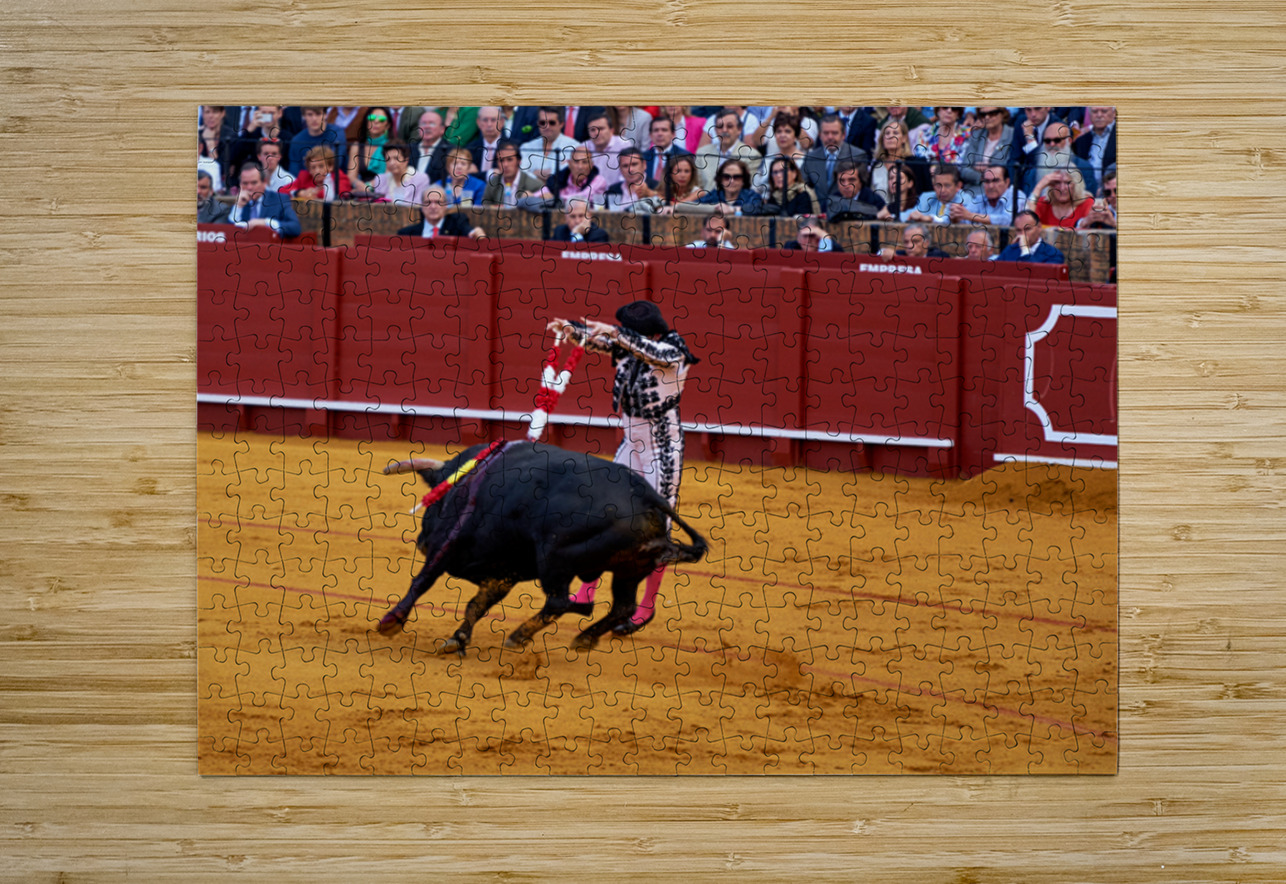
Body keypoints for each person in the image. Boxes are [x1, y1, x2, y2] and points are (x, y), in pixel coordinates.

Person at [548, 301, 700, 635]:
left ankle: (646, 607)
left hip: (662, 451)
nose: (623, 335)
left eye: (629, 330)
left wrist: (617, 333)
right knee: (604, 514)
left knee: (656, 531)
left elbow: (650, 352)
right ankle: (586, 593)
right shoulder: (628, 344)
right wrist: (571, 329)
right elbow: (599, 341)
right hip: (631, 444)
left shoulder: (674, 351)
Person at [801, 114, 868, 210]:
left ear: (843, 135)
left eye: (834, 133)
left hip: (847, 212)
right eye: (826, 133)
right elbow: (804, 186)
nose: (830, 137)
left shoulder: (857, 155)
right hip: (817, 212)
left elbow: (863, 189)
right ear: (820, 135)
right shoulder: (810, 158)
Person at [226, 162, 302, 237]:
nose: (249, 187)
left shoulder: (280, 200)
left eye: (254, 183)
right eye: (245, 183)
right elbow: (227, 233)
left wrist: (266, 222)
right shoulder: (240, 203)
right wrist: (238, 207)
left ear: (264, 182)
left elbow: (295, 227)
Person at [695, 109, 763, 192]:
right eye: (720, 127)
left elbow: (749, 189)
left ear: (739, 130)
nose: (724, 130)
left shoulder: (752, 156)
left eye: (729, 126)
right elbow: (697, 187)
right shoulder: (702, 153)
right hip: (706, 199)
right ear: (715, 130)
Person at [525, 144, 609, 210]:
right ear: (569, 163)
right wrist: (532, 196)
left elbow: (581, 198)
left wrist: (554, 199)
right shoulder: (559, 178)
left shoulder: (599, 181)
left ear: (591, 165)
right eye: (576, 162)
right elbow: (541, 193)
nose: (580, 167)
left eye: (584, 162)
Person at [868, 120, 929, 204]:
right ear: (882, 139)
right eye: (887, 133)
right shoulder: (876, 166)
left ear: (904, 138)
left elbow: (928, 195)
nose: (890, 136)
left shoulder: (917, 164)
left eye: (895, 133)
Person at [395, 185, 486, 238]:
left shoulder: (457, 224)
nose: (433, 207)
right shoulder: (407, 234)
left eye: (438, 202)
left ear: (445, 205)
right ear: (422, 206)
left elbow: (468, 231)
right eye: (428, 202)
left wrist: (475, 233)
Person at [958, 106, 1015, 192]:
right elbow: (964, 170)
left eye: (992, 113)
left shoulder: (1012, 135)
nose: (987, 117)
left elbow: (1008, 168)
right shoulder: (976, 135)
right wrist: (982, 177)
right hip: (973, 190)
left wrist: (982, 167)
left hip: (1000, 191)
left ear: (1002, 114)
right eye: (983, 114)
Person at [519, 106, 579, 184]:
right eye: (542, 123)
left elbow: (565, 177)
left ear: (561, 124)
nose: (547, 127)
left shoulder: (574, 147)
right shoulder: (526, 147)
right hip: (531, 191)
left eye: (552, 123)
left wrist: (535, 173)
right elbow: (521, 176)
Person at [953, 164, 1024, 227]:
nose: (990, 186)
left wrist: (971, 216)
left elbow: (1008, 220)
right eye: (987, 181)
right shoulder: (980, 199)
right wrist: (956, 217)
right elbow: (965, 218)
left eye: (995, 181)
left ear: (1007, 182)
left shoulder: (1017, 195)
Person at [905, 165, 979, 225]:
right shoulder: (926, 197)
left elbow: (947, 220)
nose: (942, 190)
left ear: (958, 186)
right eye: (938, 185)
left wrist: (930, 218)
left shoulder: (965, 199)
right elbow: (908, 215)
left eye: (947, 185)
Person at [751, 115, 807, 191]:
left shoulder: (806, 161)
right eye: (779, 131)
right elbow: (755, 188)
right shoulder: (767, 159)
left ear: (795, 136)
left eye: (787, 131)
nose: (782, 135)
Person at [346, 106, 395, 190]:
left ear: (387, 125)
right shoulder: (357, 146)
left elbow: (389, 175)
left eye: (381, 119)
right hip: (360, 190)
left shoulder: (392, 146)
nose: (376, 121)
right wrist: (359, 185)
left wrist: (369, 186)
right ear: (367, 121)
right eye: (372, 118)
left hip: (384, 190)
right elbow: (351, 176)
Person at [288, 106, 347, 176]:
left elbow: (336, 163)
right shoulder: (296, 141)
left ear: (325, 115)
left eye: (318, 114)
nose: (314, 119)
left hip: (333, 179)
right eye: (310, 114)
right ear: (304, 116)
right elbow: (294, 172)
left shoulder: (337, 134)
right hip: (306, 181)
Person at [279, 145, 352, 201]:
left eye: (321, 166)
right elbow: (281, 190)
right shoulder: (304, 177)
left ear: (330, 167)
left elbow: (337, 194)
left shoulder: (339, 177)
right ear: (309, 170)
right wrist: (299, 192)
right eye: (313, 167)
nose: (317, 171)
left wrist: (313, 192)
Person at [481, 141, 542, 208]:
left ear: (519, 161)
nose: (505, 165)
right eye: (501, 160)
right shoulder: (493, 183)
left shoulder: (535, 185)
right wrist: (496, 208)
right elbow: (485, 206)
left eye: (509, 159)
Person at [694, 158, 764, 216]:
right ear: (720, 179)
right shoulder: (714, 195)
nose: (731, 181)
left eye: (737, 177)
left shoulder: (752, 196)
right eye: (726, 177)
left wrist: (732, 209)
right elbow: (694, 206)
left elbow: (759, 210)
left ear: (744, 180)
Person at [1029, 167, 1094, 229]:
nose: (1062, 188)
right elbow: (1026, 224)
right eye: (1057, 183)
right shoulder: (1043, 203)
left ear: (1076, 185)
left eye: (1067, 183)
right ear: (1051, 185)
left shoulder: (1087, 203)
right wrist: (1038, 188)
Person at [582, 110, 631, 189]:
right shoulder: (584, 147)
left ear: (611, 130)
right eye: (592, 130)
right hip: (590, 193)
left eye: (601, 129)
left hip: (617, 192)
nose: (596, 133)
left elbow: (627, 175)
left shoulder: (624, 145)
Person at [996, 209, 1066, 264]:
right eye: (1019, 230)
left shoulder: (1053, 254)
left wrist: (1025, 250)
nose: (1023, 234)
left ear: (1039, 227)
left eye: (1027, 229)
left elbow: (1039, 275)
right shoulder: (1009, 250)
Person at [603, 147, 661, 213]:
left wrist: (651, 194)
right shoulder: (613, 190)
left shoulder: (657, 186)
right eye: (625, 166)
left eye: (634, 164)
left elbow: (665, 210)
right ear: (620, 169)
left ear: (644, 165)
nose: (630, 170)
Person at [641, 115, 692, 183]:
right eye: (656, 130)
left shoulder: (685, 156)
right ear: (650, 135)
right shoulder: (643, 157)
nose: (660, 134)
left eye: (664, 130)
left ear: (673, 134)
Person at [408, 110, 454, 184]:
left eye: (432, 124)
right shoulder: (408, 149)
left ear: (442, 129)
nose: (427, 127)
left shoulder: (452, 151)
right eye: (423, 123)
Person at [1073, 106, 1117, 182]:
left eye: (1104, 111)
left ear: (1114, 113)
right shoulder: (1081, 141)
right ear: (1089, 114)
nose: (1099, 115)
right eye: (1095, 111)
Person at [466, 106, 506, 177]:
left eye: (493, 120)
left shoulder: (511, 148)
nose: (489, 124)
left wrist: (478, 174)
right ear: (478, 122)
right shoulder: (470, 148)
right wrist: (489, 174)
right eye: (485, 120)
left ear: (502, 122)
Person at [882, 223, 950, 259]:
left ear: (926, 243)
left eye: (915, 241)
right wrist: (886, 253)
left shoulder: (939, 257)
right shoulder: (898, 255)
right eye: (906, 242)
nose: (909, 246)